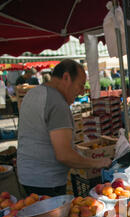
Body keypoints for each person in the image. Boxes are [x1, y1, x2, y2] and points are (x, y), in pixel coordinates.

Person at [17, 59, 112, 197]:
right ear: (66, 78)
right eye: (80, 85)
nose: (81, 92)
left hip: (28, 177)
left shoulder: (33, 93)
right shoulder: (57, 103)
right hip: (47, 183)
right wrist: (98, 163)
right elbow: (64, 155)